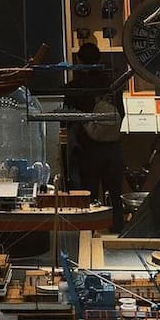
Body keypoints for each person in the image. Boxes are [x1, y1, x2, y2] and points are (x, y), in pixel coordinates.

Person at [62, 41, 127, 232]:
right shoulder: (112, 84)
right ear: (99, 59)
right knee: (114, 194)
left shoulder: (73, 87)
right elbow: (121, 113)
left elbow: (67, 119)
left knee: (88, 194)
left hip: (87, 149)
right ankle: (117, 230)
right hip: (113, 146)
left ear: (79, 60)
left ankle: (89, 233)